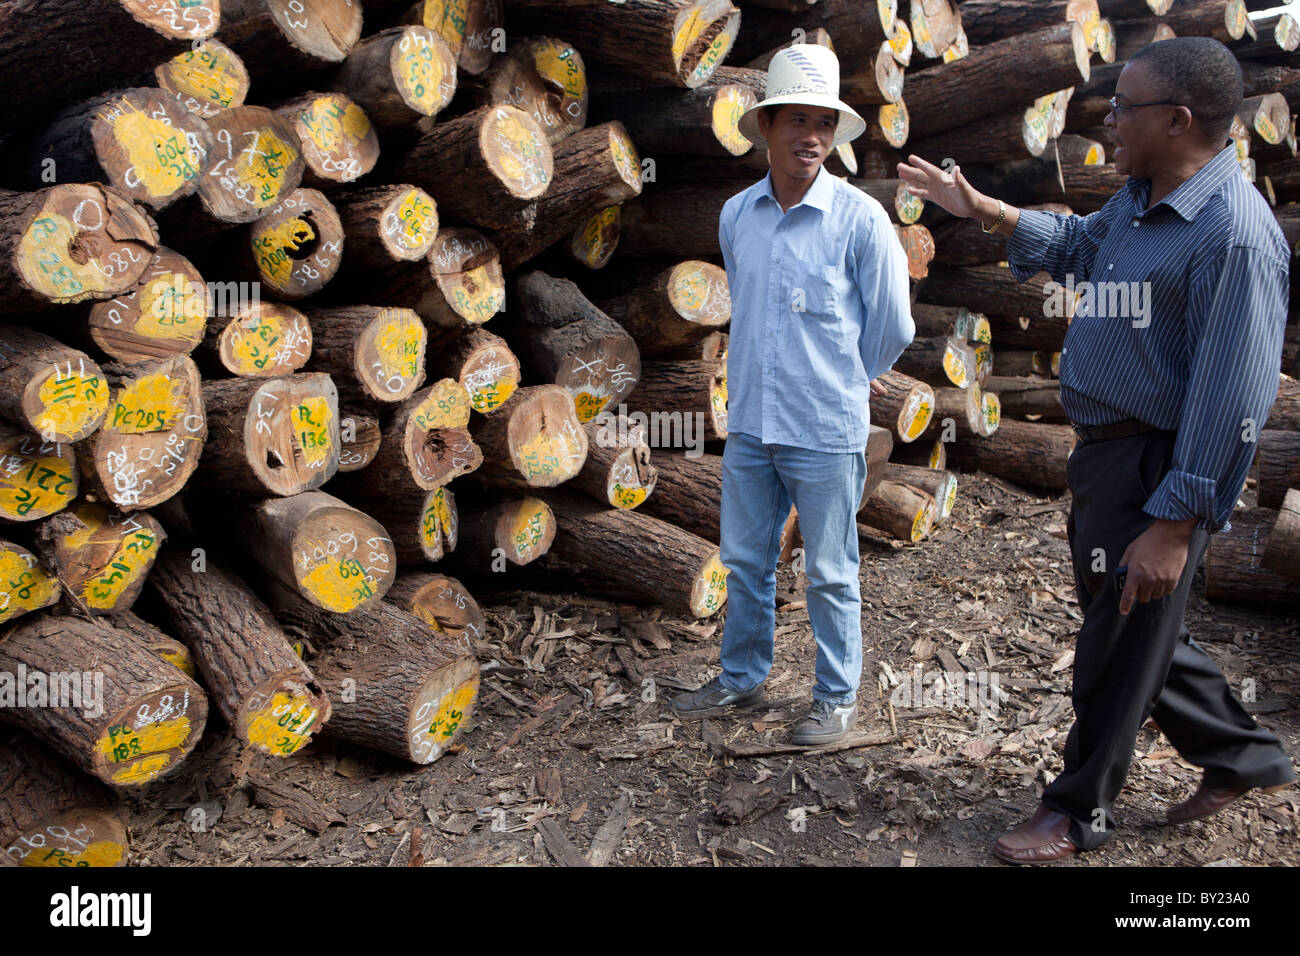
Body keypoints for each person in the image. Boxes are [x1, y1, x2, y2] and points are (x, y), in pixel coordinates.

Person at [898, 36, 1296, 863]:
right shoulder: (1146, 194)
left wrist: (1176, 523)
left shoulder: (1236, 237)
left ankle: (1077, 810)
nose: (1107, 120)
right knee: (1133, 627)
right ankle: (1244, 756)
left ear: (1179, 119)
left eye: (1124, 107)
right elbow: (1080, 248)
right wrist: (989, 211)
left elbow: (1232, 396)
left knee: (1114, 644)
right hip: (1109, 457)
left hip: (1159, 465)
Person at [669, 44, 914, 746]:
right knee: (746, 559)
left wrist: (844, 375)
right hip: (750, 420)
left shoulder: (859, 219)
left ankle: (836, 702)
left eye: (824, 125)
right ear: (768, 127)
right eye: (798, 121)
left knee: (832, 570)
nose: (812, 137)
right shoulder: (738, 215)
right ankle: (742, 679)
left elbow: (893, 324)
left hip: (826, 425)